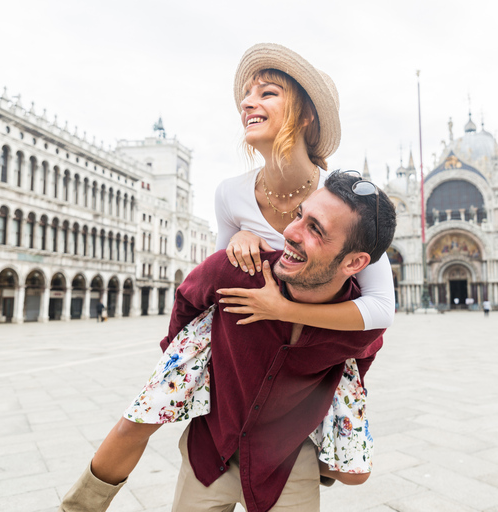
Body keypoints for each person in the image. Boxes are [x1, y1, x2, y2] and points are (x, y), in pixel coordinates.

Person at [60, 43, 395, 511]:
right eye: (247, 93)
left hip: (300, 369)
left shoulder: (342, 203)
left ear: (304, 117)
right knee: (135, 420)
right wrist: (235, 245)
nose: (248, 101)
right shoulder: (231, 194)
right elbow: (212, 284)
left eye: (268, 92)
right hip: (235, 362)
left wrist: (284, 309)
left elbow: (380, 308)